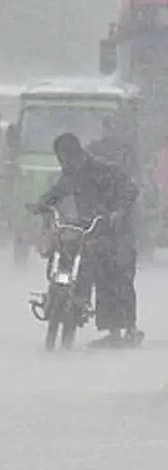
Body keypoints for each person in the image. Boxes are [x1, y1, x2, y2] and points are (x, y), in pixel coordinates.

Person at [35, 132, 141, 347]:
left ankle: (127, 329)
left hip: (115, 231)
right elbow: (58, 192)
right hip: (88, 229)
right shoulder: (71, 174)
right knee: (74, 257)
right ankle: (71, 301)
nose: (65, 162)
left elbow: (130, 190)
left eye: (67, 157)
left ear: (77, 153)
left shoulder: (105, 170)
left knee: (116, 276)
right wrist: (42, 204)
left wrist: (117, 212)